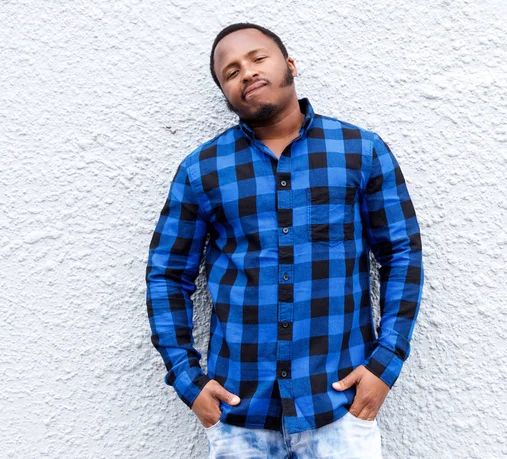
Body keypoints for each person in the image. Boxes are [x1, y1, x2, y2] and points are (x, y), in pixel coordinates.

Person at [145, 22, 424, 458]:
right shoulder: (202, 170)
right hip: (239, 414)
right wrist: (186, 378)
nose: (247, 73)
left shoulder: (359, 151)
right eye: (231, 71)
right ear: (225, 91)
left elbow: (401, 253)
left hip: (339, 408)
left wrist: (385, 364)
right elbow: (167, 275)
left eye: (258, 58)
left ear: (289, 65)